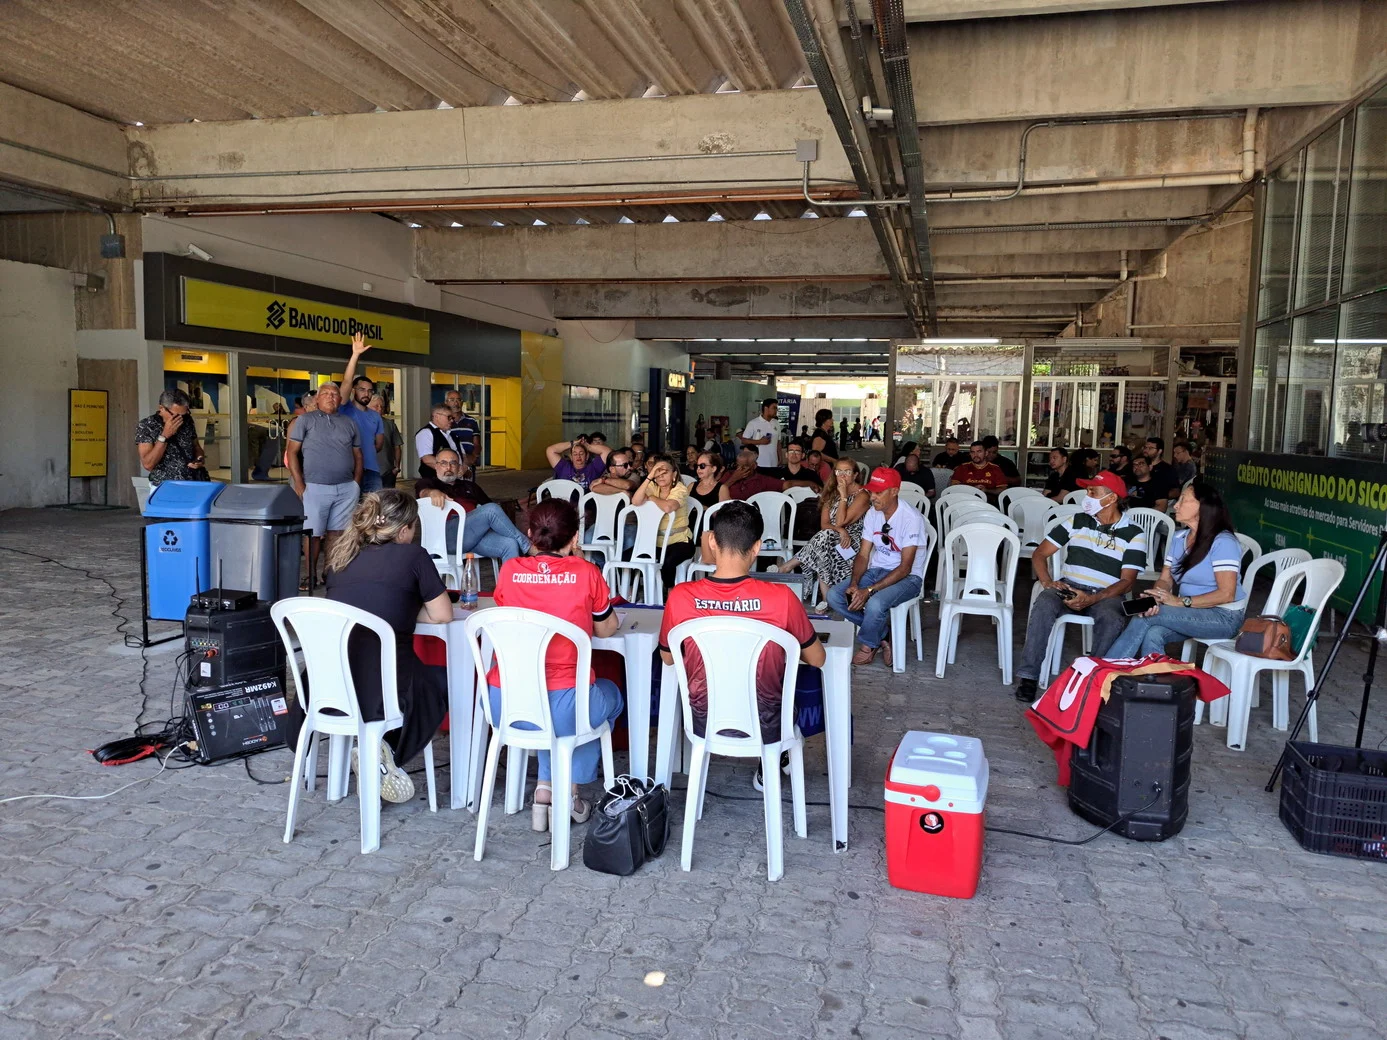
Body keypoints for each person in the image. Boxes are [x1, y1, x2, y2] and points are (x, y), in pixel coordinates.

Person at [659, 501, 825, 790]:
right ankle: (774, 758)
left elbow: (668, 658)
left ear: (712, 541)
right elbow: (818, 659)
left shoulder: (681, 597)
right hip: (768, 724)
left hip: (703, 720)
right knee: (789, 692)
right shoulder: (782, 598)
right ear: (757, 547)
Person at [488, 499, 624, 830]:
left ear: (530, 534)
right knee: (608, 697)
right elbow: (606, 628)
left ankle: (545, 789)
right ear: (575, 538)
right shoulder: (587, 572)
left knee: (554, 706)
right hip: (565, 704)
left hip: (504, 703)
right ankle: (569, 792)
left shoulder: (509, 571)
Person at [324, 489, 453, 804]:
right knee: (440, 681)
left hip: (332, 683)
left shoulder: (340, 556)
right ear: (405, 529)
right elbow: (443, 614)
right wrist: (406, 607)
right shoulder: (413, 556)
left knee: (408, 677)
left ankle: (374, 750)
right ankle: (387, 751)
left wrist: (399, 606)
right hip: (387, 683)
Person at [1012, 470, 1147, 702]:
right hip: (1069, 586)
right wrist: (1047, 582)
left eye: (1093, 492)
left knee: (1112, 618)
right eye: (1087, 491)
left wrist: (1093, 598)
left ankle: (1093, 682)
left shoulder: (1134, 533)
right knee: (1044, 603)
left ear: (1112, 498)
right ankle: (1029, 677)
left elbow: (1127, 582)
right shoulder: (1077, 521)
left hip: (1106, 595)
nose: (1087, 497)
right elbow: (1040, 553)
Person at [1106, 482, 1247, 659]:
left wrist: (1179, 601)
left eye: (1183, 500)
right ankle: (1154, 675)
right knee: (1153, 630)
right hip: (1191, 612)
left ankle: (1107, 669)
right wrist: (1156, 596)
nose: (1176, 506)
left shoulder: (1223, 542)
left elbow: (1227, 594)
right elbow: (1166, 579)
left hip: (1224, 617)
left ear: (1202, 507)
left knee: (1146, 617)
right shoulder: (1179, 538)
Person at [829, 467, 929, 667]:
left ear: (894, 491)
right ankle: (883, 634)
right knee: (835, 596)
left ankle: (868, 644)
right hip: (876, 571)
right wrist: (855, 583)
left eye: (878, 492)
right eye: (871, 491)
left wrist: (869, 590)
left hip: (908, 578)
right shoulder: (873, 514)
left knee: (875, 604)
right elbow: (863, 554)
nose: (872, 497)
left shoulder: (911, 519)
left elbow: (905, 568)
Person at [286, 382, 362, 587]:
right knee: (313, 534)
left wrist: (356, 483)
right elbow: (292, 452)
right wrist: (299, 483)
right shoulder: (305, 420)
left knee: (337, 533)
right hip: (314, 486)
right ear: (317, 399)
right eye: (326, 393)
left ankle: (330, 573)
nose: (331, 397)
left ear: (340, 399)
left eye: (334, 394)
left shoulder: (349, 422)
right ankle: (310, 575)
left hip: (346, 488)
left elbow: (357, 454)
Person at [774, 457, 869, 607]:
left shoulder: (862, 495)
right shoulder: (830, 493)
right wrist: (840, 530)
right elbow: (824, 524)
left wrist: (843, 497)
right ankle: (826, 599)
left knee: (824, 540)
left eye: (847, 472)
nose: (842, 476)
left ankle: (788, 566)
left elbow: (841, 521)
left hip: (851, 544)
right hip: (831, 540)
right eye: (839, 471)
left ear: (855, 475)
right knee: (825, 541)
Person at [415, 449, 531, 564]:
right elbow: (423, 491)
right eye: (443, 463)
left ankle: (510, 577)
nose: (448, 467)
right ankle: (528, 547)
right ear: (436, 466)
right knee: (491, 510)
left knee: (510, 544)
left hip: (471, 536)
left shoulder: (470, 486)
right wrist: (432, 493)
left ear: (459, 467)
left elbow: (492, 512)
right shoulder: (429, 483)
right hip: (446, 537)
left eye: (453, 463)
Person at [632, 455, 696, 589]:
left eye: (665, 472)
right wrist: (650, 476)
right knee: (630, 556)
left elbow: (668, 507)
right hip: (656, 542)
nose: (660, 476)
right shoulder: (652, 486)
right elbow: (636, 501)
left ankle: (671, 593)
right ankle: (637, 593)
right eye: (657, 472)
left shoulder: (680, 488)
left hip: (680, 541)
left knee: (668, 562)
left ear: (674, 474)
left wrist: (652, 498)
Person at [339, 334, 387, 493]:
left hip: (372, 471)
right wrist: (355, 355)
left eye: (370, 391)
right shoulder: (344, 409)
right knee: (352, 507)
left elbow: (378, 445)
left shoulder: (375, 416)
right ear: (354, 390)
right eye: (362, 389)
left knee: (374, 506)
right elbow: (347, 381)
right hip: (350, 470)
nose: (366, 393)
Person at [136, 388, 209, 485]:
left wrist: (199, 458)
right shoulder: (147, 425)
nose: (180, 418)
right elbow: (148, 465)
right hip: (165, 486)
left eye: (184, 414)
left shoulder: (187, 420)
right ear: (161, 408)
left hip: (193, 482)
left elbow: (196, 446)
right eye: (176, 415)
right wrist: (165, 435)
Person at [546, 436, 611, 490]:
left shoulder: (594, 468)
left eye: (581, 453)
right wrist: (572, 443)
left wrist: (588, 446)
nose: (578, 456)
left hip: (586, 501)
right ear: (571, 457)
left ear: (587, 456)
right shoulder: (563, 467)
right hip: (565, 501)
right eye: (575, 454)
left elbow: (607, 451)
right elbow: (550, 450)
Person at [367, 395, 403, 488]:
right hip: (367, 473)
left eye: (382, 406)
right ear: (367, 407)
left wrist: (397, 468)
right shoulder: (360, 423)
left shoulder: (390, 424)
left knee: (388, 496)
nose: (380, 409)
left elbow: (397, 447)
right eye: (376, 406)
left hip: (388, 473)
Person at [415, 404, 456, 480]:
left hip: (453, 479)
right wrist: (453, 470)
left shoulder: (451, 434)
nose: (452, 420)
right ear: (437, 416)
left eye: (453, 418)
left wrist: (465, 468)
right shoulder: (426, 433)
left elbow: (461, 454)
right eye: (449, 417)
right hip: (435, 480)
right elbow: (427, 459)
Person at [740, 398, 781, 473]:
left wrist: (780, 457)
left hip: (774, 463)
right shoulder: (753, 423)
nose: (776, 410)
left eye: (776, 408)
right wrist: (759, 441)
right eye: (774, 408)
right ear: (766, 408)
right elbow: (744, 440)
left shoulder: (776, 423)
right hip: (759, 463)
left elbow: (778, 442)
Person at [444, 388, 480, 463]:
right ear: (446, 403)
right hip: (450, 463)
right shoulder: (443, 422)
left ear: (462, 403)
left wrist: (473, 457)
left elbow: (477, 444)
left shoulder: (472, 421)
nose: (456, 403)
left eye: (458, 400)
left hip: (469, 461)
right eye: (452, 400)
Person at [1143, 437, 1181, 502]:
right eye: (1145, 447)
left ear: (1159, 451)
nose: (1146, 450)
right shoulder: (1137, 467)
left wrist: (1157, 496)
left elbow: (1176, 492)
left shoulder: (1168, 469)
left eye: (1151, 448)